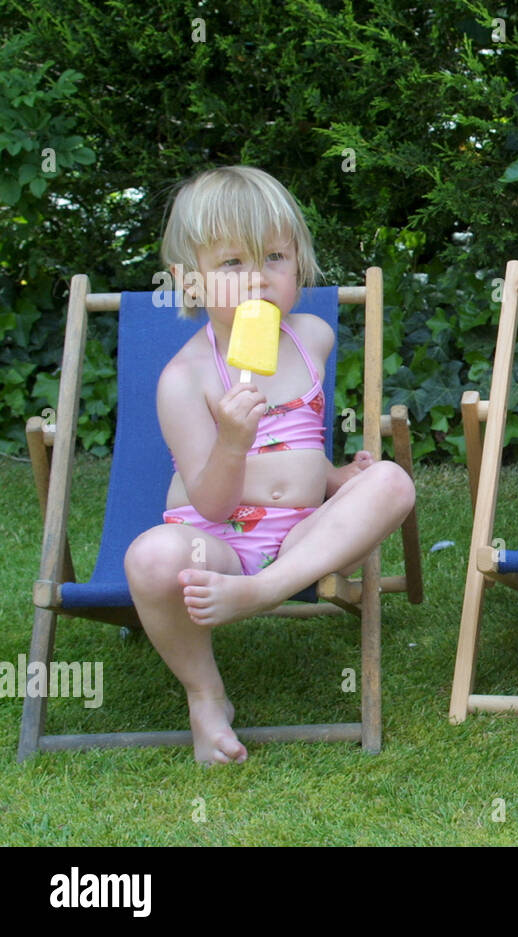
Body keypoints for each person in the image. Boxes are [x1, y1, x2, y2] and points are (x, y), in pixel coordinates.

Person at [125, 166, 415, 764]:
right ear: (190, 282)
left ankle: (262, 592)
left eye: (275, 257)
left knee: (390, 479)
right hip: (218, 538)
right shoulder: (186, 379)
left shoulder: (310, 336)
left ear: (299, 267)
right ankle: (205, 696)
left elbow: (299, 442)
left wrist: (337, 478)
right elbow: (210, 502)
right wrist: (233, 440)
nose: (257, 277)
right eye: (232, 263)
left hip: (300, 536)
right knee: (150, 557)